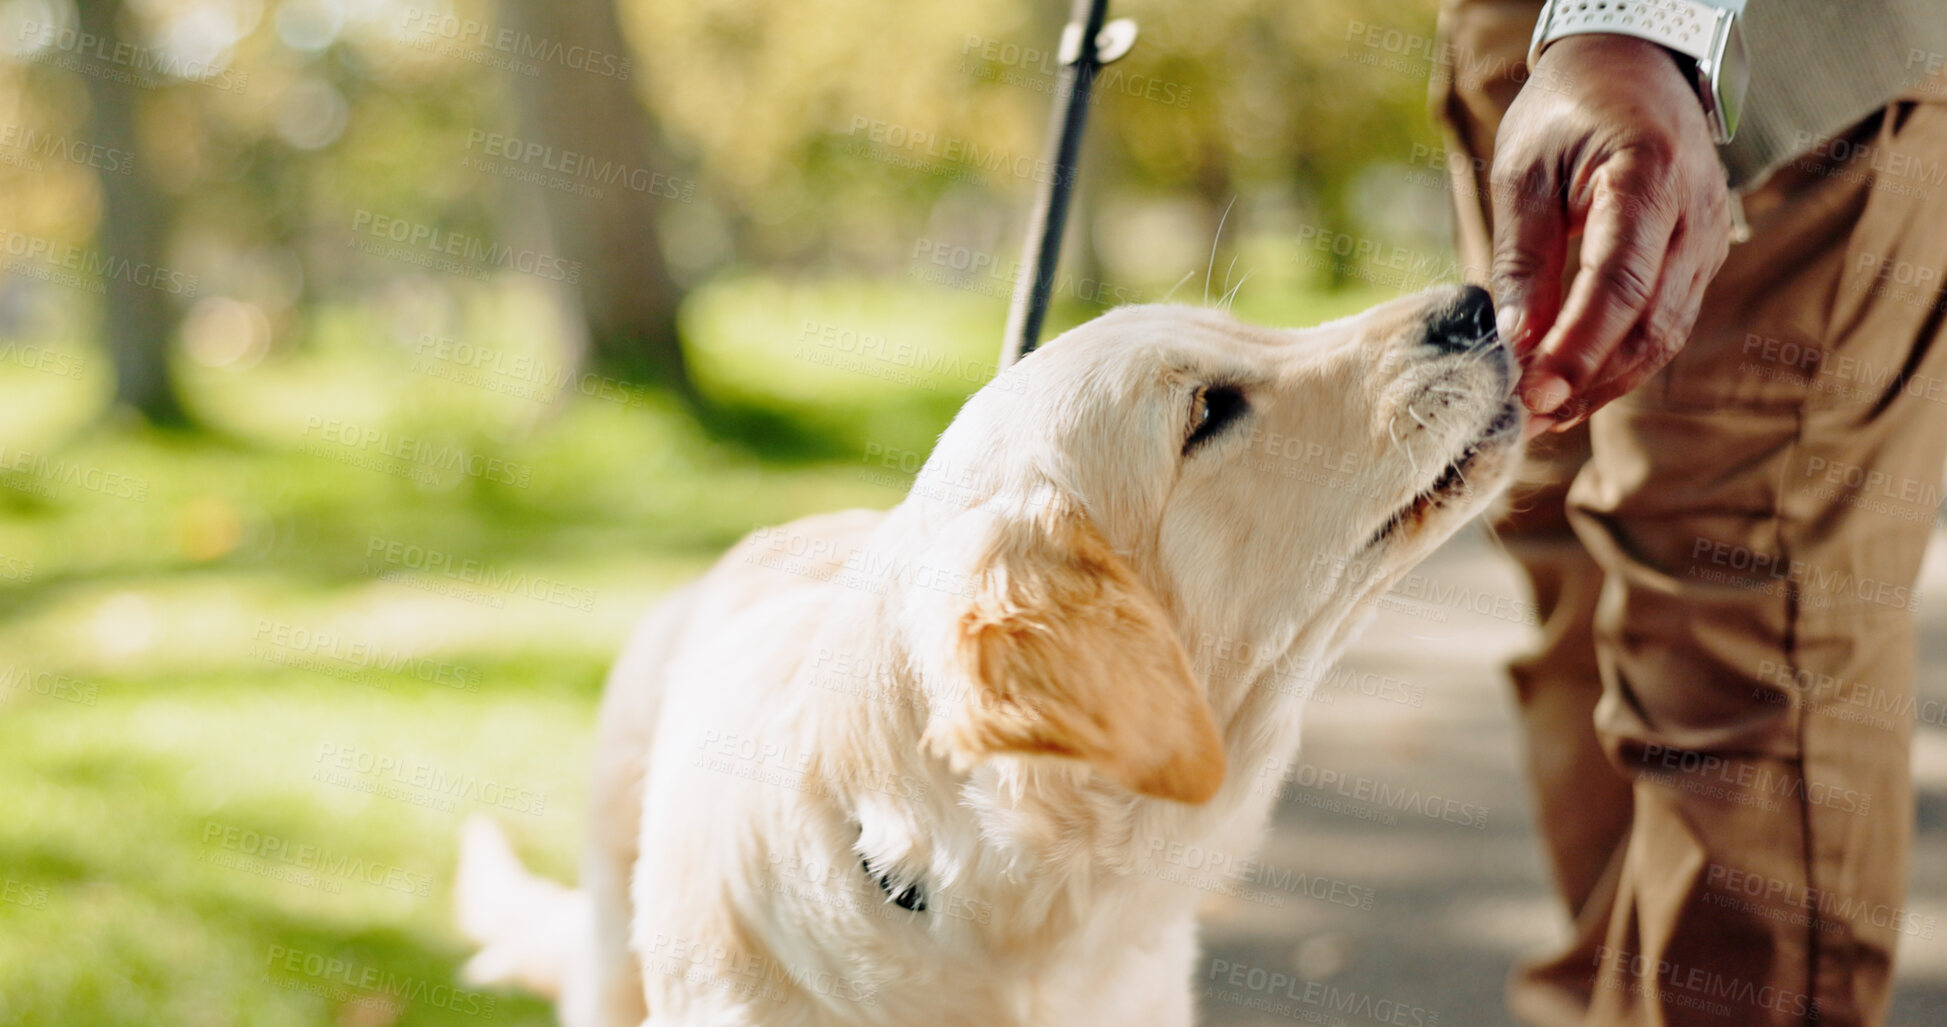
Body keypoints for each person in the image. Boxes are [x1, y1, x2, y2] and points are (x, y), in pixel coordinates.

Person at [1430, 1, 1947, 1024]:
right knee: (1571, 551)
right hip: (1522, 35)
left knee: (1733, 623)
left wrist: (1640, 22)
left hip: (1762, 43)